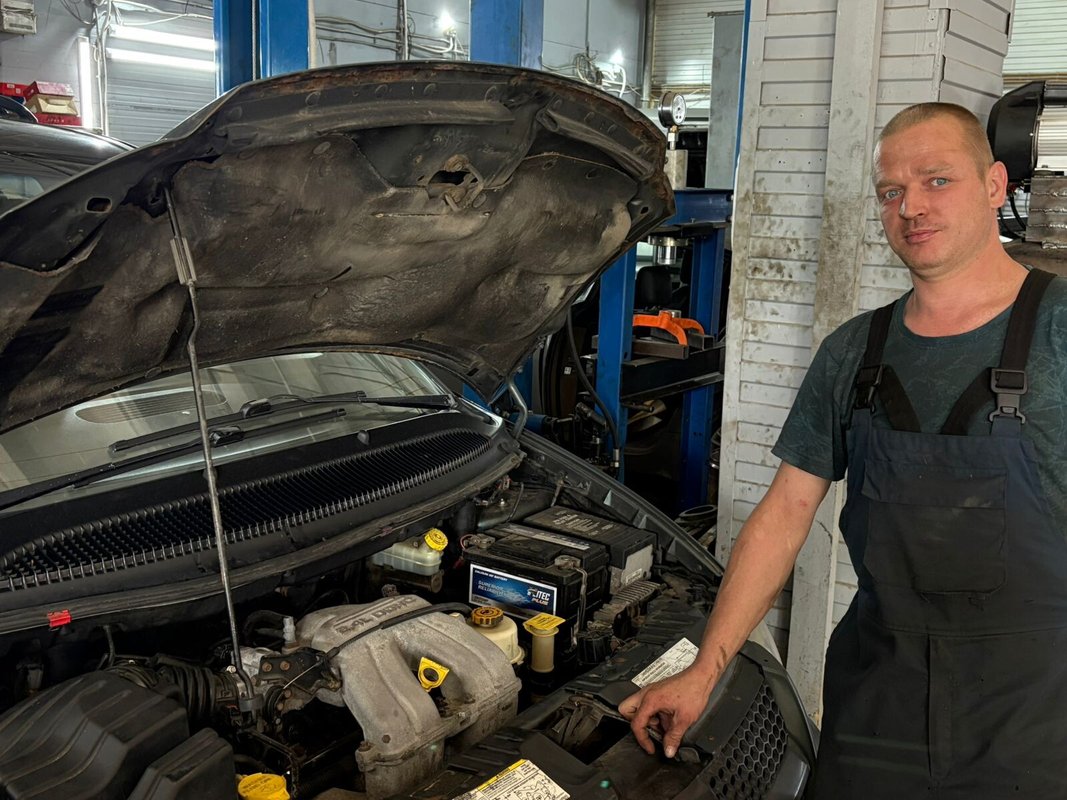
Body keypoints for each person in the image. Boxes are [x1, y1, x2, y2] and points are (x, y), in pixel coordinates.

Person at [619, 101, 1067, 798]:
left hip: (1036, 714)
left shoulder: (1059, 331)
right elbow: (784, 515)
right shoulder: (854, 352)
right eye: (891, 191)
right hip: (877, 701)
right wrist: (705, 669)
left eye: (936, 180)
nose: (910, 207)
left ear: (992, 184)